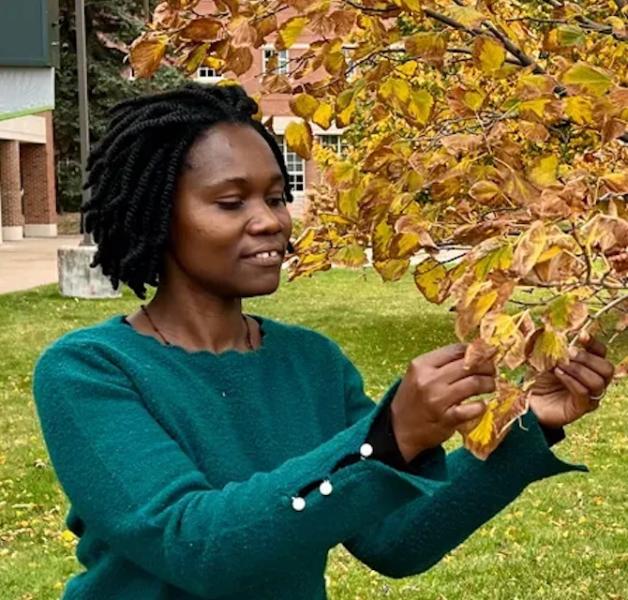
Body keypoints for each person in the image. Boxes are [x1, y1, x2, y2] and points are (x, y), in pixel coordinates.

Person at [32, 83, 615, 600]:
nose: (271, 221)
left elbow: (395, 540)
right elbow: (195, 546)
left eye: (277, 197)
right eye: (231, 202)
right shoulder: (90, 372)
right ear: (158, 216)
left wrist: (531, 423)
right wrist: (385, 440)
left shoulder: (310, 363)